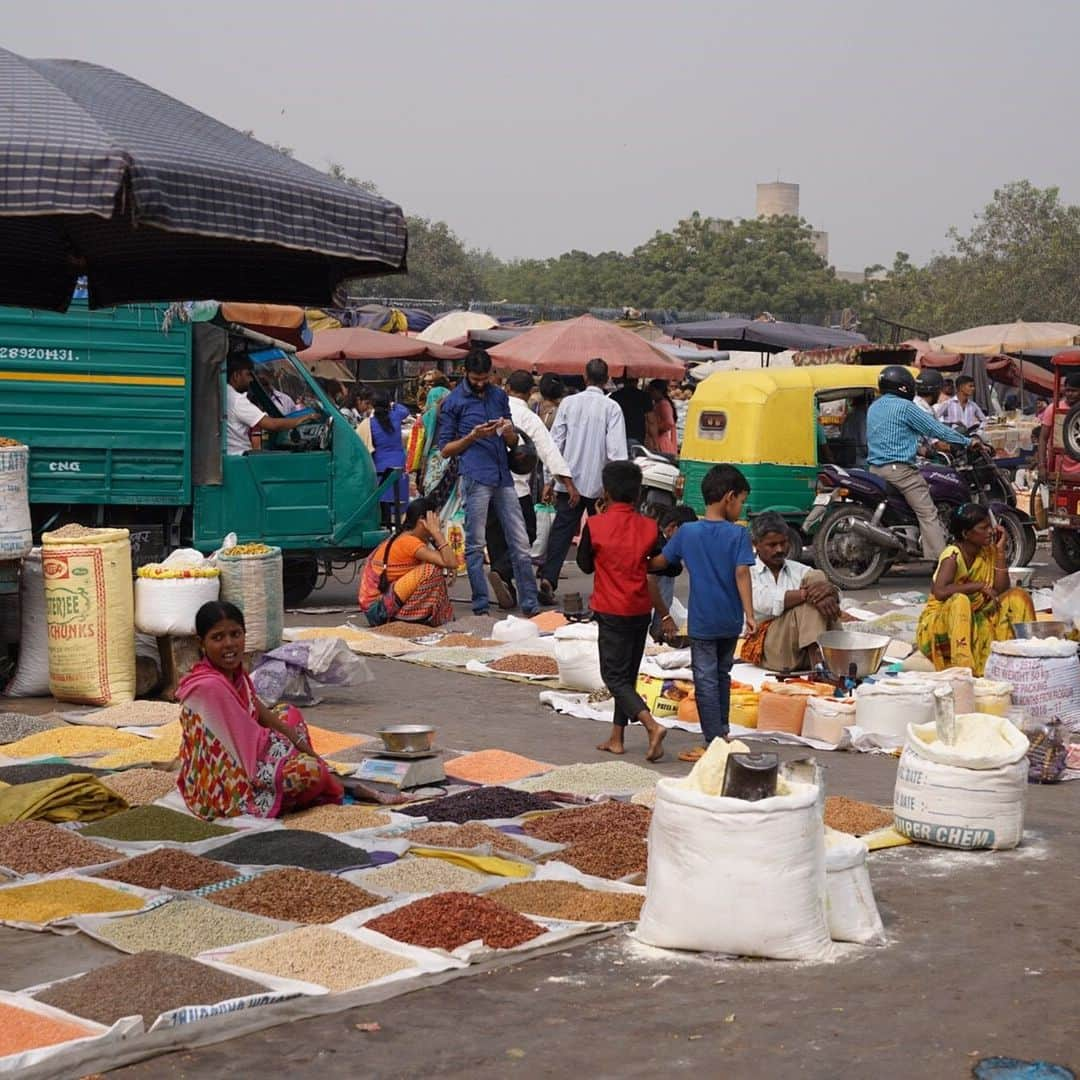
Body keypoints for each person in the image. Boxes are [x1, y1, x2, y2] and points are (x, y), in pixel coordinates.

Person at [176, 601, 344, 820]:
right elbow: (254, 742)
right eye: (217, 638)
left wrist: (311, 754)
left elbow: (262, 714)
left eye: (236, 634)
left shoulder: (236, 675)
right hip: (224, 781)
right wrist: (306, 760)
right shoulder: (209, 686)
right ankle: (280, 798)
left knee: (289, 713)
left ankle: (304, 778)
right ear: (202, 643)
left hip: (248, 752)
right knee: (309, 773)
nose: (229, 644)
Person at [649, 464, 756, 763]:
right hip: (730, 619)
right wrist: (749, 613)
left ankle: (714, 741)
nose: (741, 507)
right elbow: (742, 573)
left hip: (703, 622)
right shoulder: (738, 535)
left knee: (706, 679)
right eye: (742, 501)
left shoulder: (687, 533)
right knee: (722, 675)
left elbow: (659, 562)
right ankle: (721, 732)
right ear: (729, 498)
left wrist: (638, 555)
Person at [576, 461, 667, 762]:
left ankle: (652, 725)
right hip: (640, 609)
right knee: (627, 674)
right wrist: (643, 563)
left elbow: (584, 564)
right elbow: (671, 563)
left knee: (613, 676)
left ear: (606, 490)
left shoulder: (596, 524)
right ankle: (617, 737)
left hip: (611, 608)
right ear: (638, 493)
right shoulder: (650, 527)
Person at [438, 352, 539, 616]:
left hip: (503, 476)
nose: (480, 384)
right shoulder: (453, 403)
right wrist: (472, 437)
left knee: (520, 542)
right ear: (465, 374)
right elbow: (446, 449)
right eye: (475, 379)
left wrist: (508, 433)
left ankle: (530, 602)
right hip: (475, 475)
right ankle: (480, 604)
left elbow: (512, 441)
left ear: (491, 375)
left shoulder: (499, 396)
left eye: (484, 379)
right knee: (475, 544)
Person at [538, 357, 628, 605]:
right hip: (600, 487)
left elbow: (555, 444)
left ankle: (549, 578)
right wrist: (613, 491)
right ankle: (606, 585)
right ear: (606, 379)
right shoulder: (612, 408)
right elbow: (616, 453)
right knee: (603, 536)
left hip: (569, 482)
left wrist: (549, 480)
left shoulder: (569, 403)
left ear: (585, 377)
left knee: (561, 532)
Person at [486, 370, 578, 609]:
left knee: (495, 538)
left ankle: (505, 582)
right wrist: (566, 482)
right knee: (526, 533)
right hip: (516, 490)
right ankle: (501, 570)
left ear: (506, 388)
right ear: (530, 393)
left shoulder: (489, 411)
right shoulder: (528, 417)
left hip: (485, 487)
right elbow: (549, 451)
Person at [866, 365, 975, 561]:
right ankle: (941, 561)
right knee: (928, 513)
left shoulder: (875, 406)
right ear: (904, 386)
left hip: (875, 469)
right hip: (900, 471)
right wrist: (968, 441)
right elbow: (937, 430)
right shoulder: (905, 407)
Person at [914, 503, 1036, 676]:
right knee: (960, 600)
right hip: (944, 623)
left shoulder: (988, 551)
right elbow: (940, 591)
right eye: (983, 528)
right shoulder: (952, 555)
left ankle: (1028, 659)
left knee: (1018, 596)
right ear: (966, 534)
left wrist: (1000, 553)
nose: (991, 531)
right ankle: (964, 671)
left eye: (990, 526)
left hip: (976, 616)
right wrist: (977, 586)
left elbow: (1001, 590)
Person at [740, 512, 841, 671]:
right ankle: (820, 664)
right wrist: (808, 595)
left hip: (799, 649)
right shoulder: (746, 573)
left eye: (783, 543)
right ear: (756, 544)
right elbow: (765, 602)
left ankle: (823, 661)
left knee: (818, 577)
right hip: (770, 646)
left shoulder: (798, 570)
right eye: (772, 545)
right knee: (812, 603)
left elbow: (826, 592)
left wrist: (830, 592)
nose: (780, 549)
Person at [358, 497, 457, 627]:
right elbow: (451, 562)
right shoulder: (409, 542)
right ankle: (403, 622)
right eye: (436, 518)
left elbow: (449, 561)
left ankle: (434, 619)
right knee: (430, 571)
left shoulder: (408, 538)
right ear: (423, 521)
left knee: (435, 569)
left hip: (380, 606)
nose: (440, 522)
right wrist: (436, 532)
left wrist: (447, 562)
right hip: (378, 611)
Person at [226, 356, 315, 455]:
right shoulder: (236, 399)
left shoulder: (224, 394)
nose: (251, 380)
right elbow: (272, 424)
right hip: (239, 456)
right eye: (248, 375)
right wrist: (302, 419)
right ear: (236, 376)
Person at [647, 504, 698, 642]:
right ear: (672, 527)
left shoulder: (668, 543)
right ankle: (657, 630)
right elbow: (649, 579)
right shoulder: (655, 542)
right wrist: (665, 617)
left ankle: (658, 630)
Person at [362, 390, 411, 528]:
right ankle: (399, 524)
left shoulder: (369, 423)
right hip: (398, 459)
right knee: (398, 495)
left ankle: (384, 524)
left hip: (380, 461)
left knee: (383, 495)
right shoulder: (395, 415)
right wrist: (393, 403)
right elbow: (405, 410)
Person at [1037, 372, 1080, 484]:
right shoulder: (1053, 409)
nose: (1069, 394)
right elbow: (1043, 438)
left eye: (1074, 391)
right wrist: (1042, 465)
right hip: (1059, 468)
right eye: (1067, 390)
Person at [416, 382, 452, 494]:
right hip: (451, 459)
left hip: (431, 461)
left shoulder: (424, 419)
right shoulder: (453, 415)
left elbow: (418, 445)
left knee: (430, 493)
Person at [610, 376, 653, 452]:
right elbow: (651, 420)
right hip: (637, 438)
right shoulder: (644, 396)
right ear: (637, 381)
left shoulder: (614, 396)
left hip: (617, 438)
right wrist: (654, 441)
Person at [645, 380, 678, 456]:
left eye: (652, 390)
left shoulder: (663, 404)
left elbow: (669, 423)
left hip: (661, 441)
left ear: (659, 391)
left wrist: (654, 428)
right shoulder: (658, 403)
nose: (650, 393)